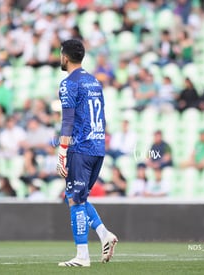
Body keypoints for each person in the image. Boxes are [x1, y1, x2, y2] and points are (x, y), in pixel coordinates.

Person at [56, 39, 117, 267]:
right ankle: (104, 235)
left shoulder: (68, 83)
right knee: (75, 197)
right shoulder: (94, 81)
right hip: (97, 147)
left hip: (80, 148)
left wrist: (62, 153)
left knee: (74, 200)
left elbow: (68, 121)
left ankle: (82, 256)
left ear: (66, 57)